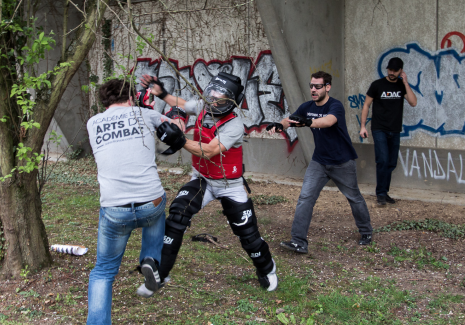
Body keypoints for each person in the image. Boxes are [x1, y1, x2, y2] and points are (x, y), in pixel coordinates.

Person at [136, 71, 278, 297]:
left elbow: (211, 151)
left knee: (248, 235)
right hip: (201, 180)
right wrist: (161, 92)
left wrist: (180, 140)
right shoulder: (204, 106)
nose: (212, 99)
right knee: (176, 218)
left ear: (230, 100)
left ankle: (267, 268)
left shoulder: (234, 125)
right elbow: (182, 103)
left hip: (229, 185)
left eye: (218, 96)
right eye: (211, 93)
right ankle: (160, 275)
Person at [86, 79, 171, 324]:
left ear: (105, 101)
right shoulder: (144, 114)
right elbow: (174, 129)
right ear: (131, 97)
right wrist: (166, 111)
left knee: (103, 272)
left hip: (115, 209)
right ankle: (150, 259)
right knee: (156, 205)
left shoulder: (93, 123)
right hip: (150, 202)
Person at [267, 71, 373, 254]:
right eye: (311, 86)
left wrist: (308, 122)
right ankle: (298, 241)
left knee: (354, 198)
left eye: (318, 86)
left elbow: (328, 121)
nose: (313, 90)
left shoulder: (335, 106)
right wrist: (279, 126)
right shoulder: (307, 106)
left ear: (327, 87)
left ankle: (366, 231)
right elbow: (289, 120)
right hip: (319, 162)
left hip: (343, 162)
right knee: (305, 199)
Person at [359, 57, 417, 205]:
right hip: (379, 129)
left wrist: (405, 82)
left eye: (395, 70)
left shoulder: (401, 86)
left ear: (401, 71)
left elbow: (413, 102)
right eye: (389, 70)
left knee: (391, 163)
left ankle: (385, 192)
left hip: (395, 129)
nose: (391, 73)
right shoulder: (377, 85)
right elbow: (366, 105)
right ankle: (380, 194)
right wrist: (363, 126)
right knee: (383, 160)